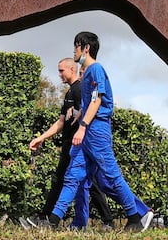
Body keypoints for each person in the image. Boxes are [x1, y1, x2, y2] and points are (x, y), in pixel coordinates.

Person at [47, 31, 154, 232]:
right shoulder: (87, 73)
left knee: (111, 174)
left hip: (96, 131)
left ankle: (134, 217)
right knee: (72, 176)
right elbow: (89, 102)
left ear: (85, 48)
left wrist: (83, 126)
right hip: (86, 130)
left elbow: (98, 100)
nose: (74, 50)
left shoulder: (96, 69)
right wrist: (79, 116)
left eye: (76, 46)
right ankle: (52, 221)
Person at [21, 58, 116, 230]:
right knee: (85, 182)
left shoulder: (80, 90)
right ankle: (103, 220)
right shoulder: (69, 93)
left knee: (74, 182)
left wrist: (82, 128)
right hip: (69, 145)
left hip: (78, 145)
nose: (59, 75)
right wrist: (42, 137)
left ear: (72, 69)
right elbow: (61, 122)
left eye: (61, 70)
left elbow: (89, 113)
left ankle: (46, 219)